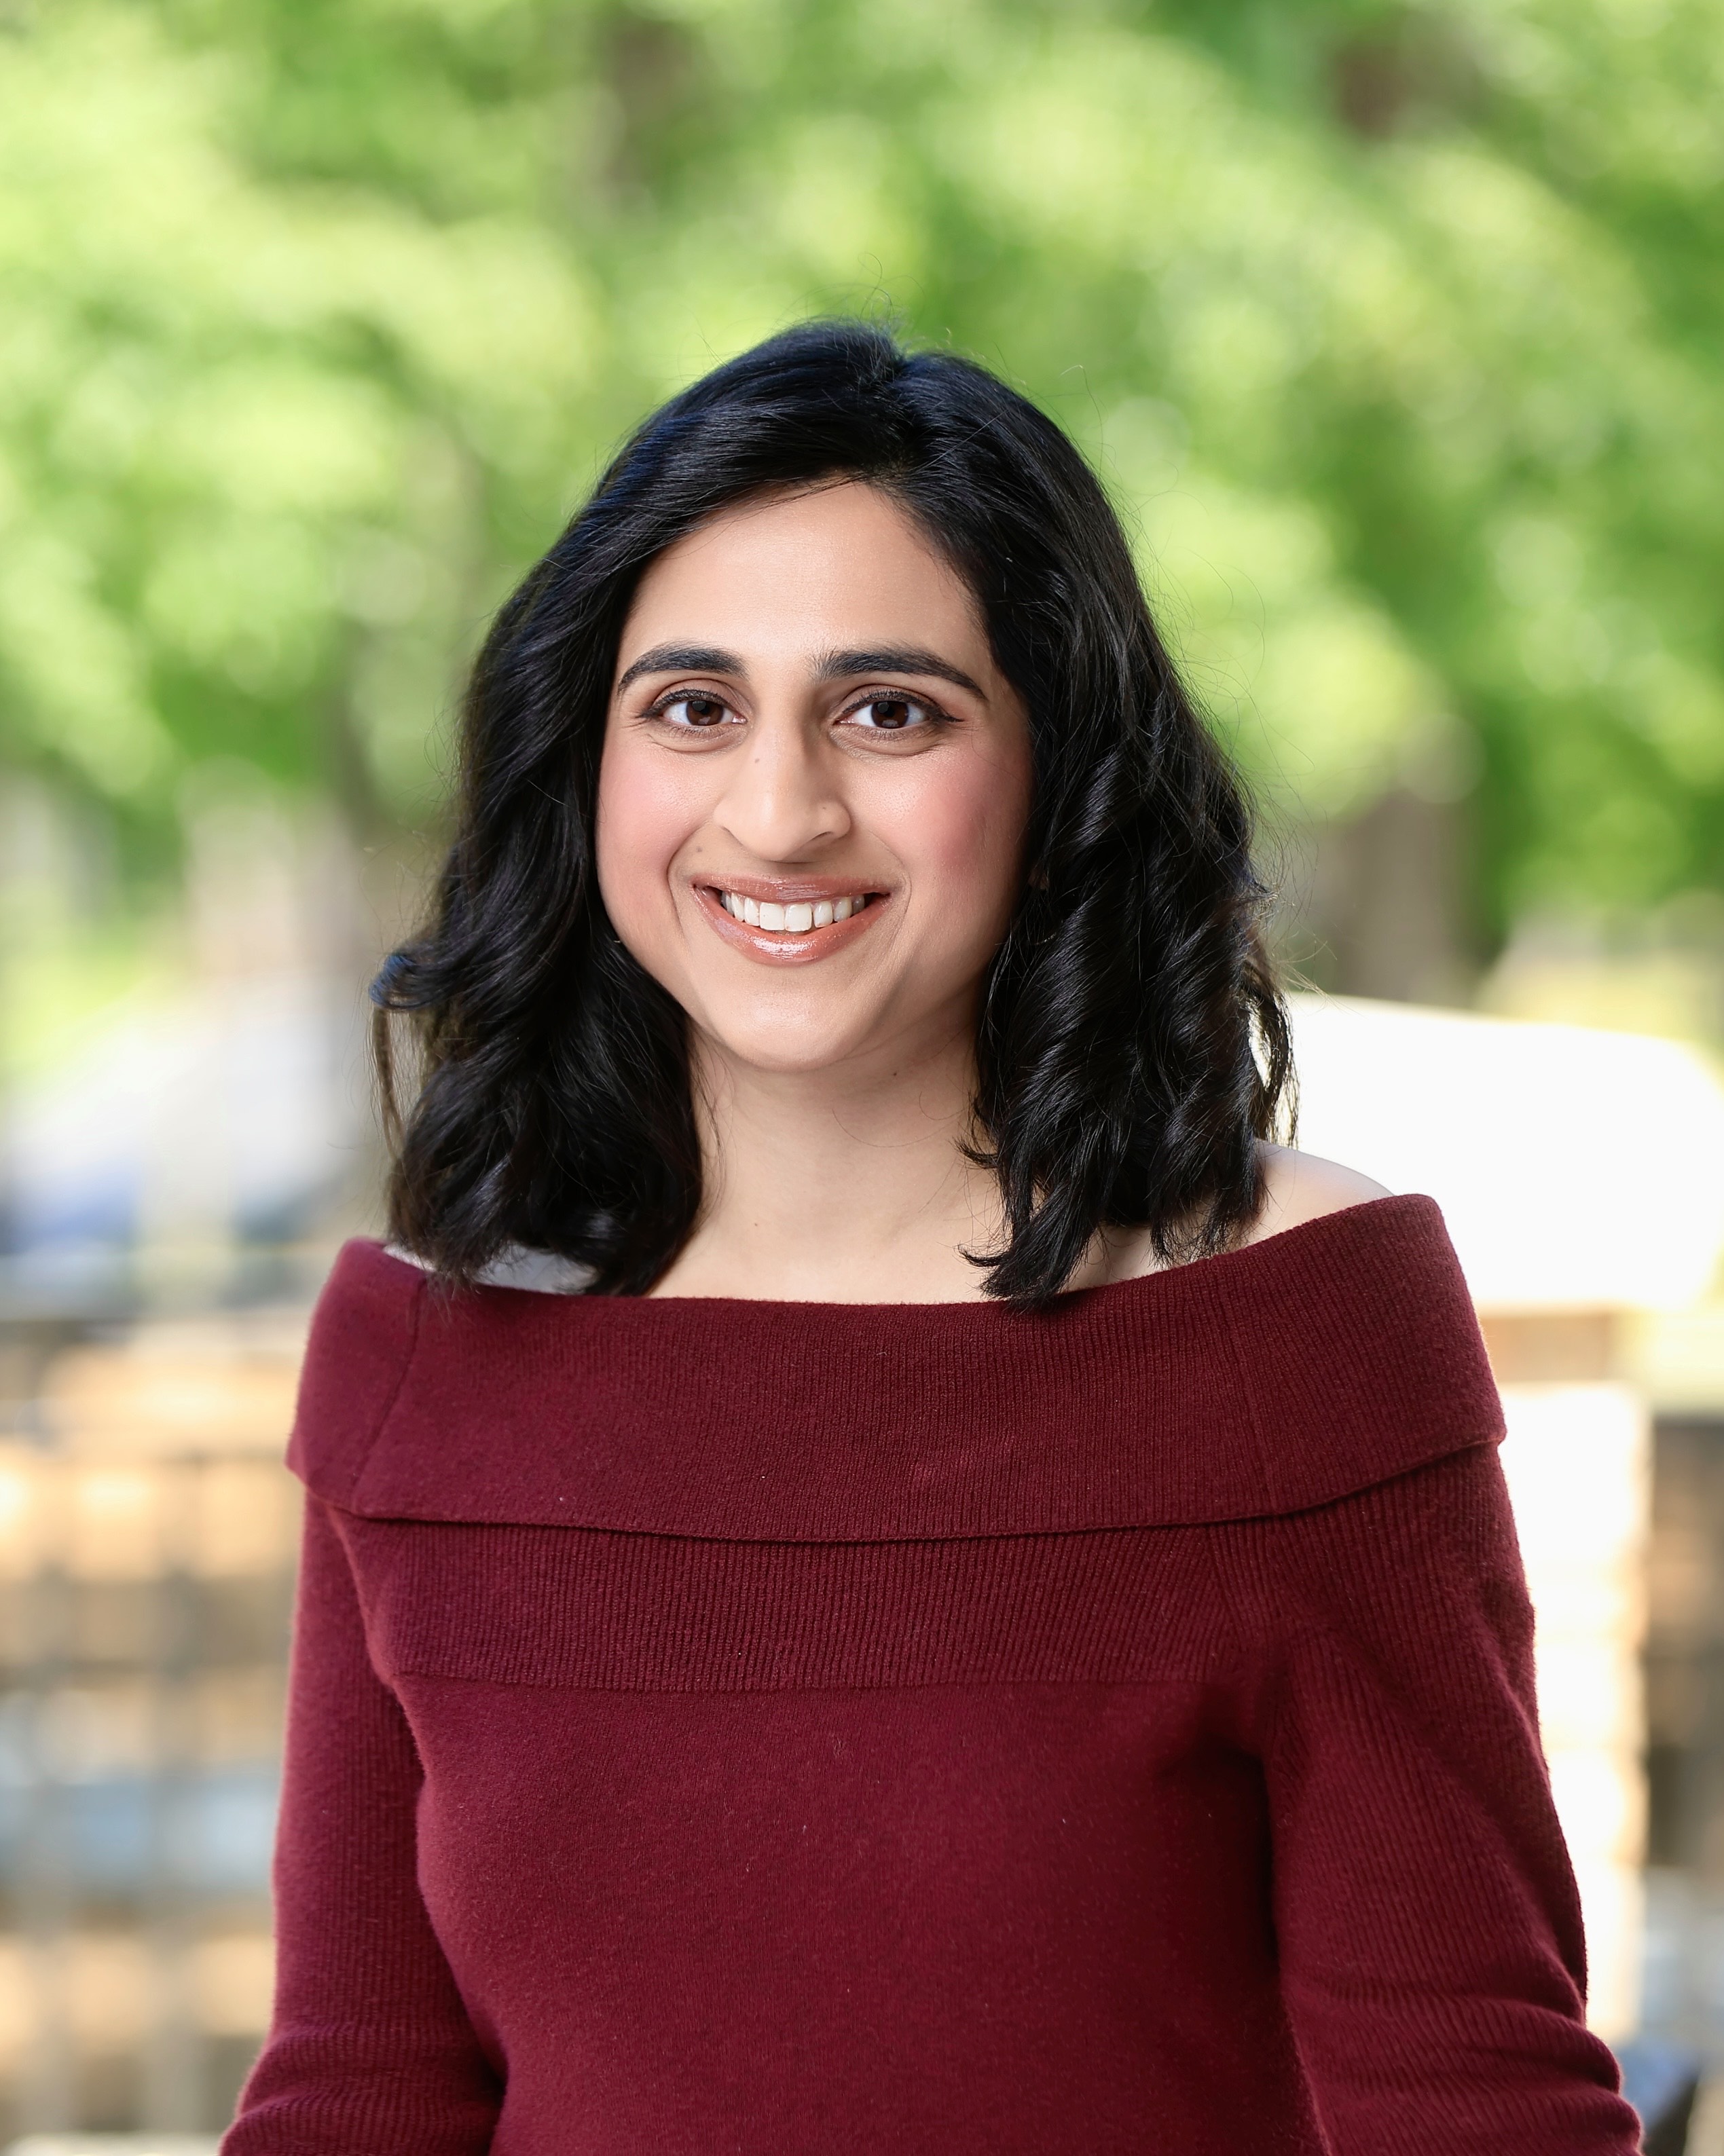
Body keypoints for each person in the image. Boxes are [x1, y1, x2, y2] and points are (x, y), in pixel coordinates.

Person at [223, 322, 1639, 2154]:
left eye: (890, 710)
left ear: (1056, 774)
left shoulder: (1292, 1329)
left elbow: (1476, 2107)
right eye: (692, 707)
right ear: (585, 765)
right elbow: (360, 2089)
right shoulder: (429, 1354)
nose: (782, 810)